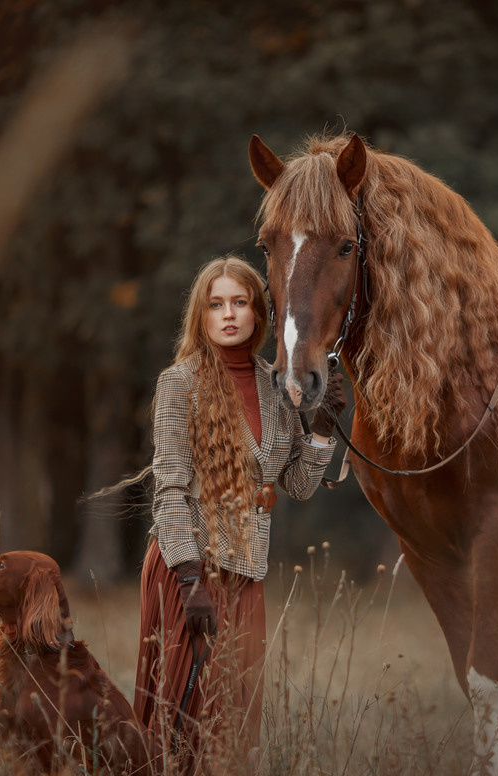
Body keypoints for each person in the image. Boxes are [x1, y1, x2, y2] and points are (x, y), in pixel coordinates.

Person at [133, 255, 343, 767]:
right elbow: (170, 491)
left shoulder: (279, 387)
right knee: (178, 717)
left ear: (258, 313)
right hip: (189, 571)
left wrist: (323, 426)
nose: (228, 315)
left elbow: (295, 484)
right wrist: (189, 581)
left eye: (240, 303)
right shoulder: (178, 384)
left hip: (246, 570)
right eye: (216, 304)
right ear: (201, 317)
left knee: (234, 714)